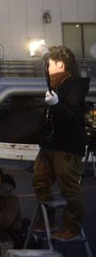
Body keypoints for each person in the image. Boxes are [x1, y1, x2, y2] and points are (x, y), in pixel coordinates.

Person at [32, 45, 90, 241]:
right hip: (51, 145)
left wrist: (56, 105)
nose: (47, 68)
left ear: (61, 65)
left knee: (69, 188)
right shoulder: (58, 85)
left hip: (66, 148)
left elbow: (72, 118)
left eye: (49, 64)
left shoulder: (72, 86)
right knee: (40, 180)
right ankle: (48, 220)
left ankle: (72, 227)